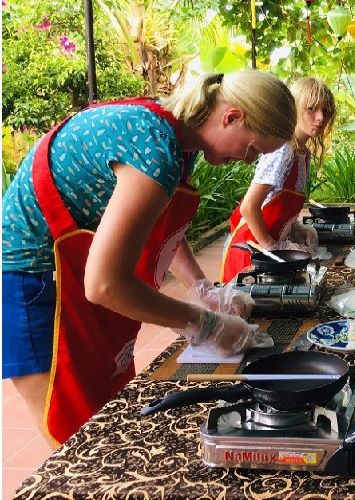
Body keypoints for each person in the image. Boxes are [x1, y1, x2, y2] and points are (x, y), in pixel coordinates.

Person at [1, 70, 297, 445]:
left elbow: (161, 229)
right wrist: (203, 323)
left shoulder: (176, 137)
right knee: (76, 437)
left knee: (107, 413)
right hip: (32, 278)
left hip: (67, 270)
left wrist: (201, 286)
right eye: (252, 148)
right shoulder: (157, 148)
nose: (244, 160)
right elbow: (105, 284)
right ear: (232, 116)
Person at [220, 77, 336, 283]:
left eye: (326, 111)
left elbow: (277, 206)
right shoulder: (283, 150)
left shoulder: (303, 154)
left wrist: (296, 228)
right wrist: (271, 246)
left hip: (271, 253)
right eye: (311, 109)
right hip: (251, 251)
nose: (320, 117)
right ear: (294, 108)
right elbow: (249, 207)